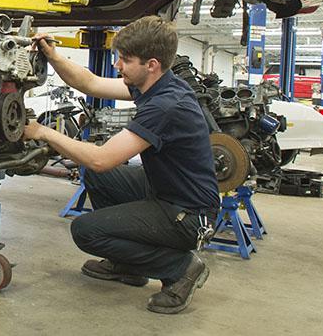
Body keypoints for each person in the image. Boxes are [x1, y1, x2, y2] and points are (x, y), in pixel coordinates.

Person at [23, 16, 220, 314]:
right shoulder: (157, 84)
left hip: (188, 215)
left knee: (86, 230)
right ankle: (129, 266)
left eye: (125, 60)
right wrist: (54, 57)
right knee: (96, 177)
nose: (117, 66)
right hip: (164, 190)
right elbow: (89, 83)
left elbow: (101, 159)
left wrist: (43, 132)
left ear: (151, 64)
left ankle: (181, 268)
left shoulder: (166, 105)